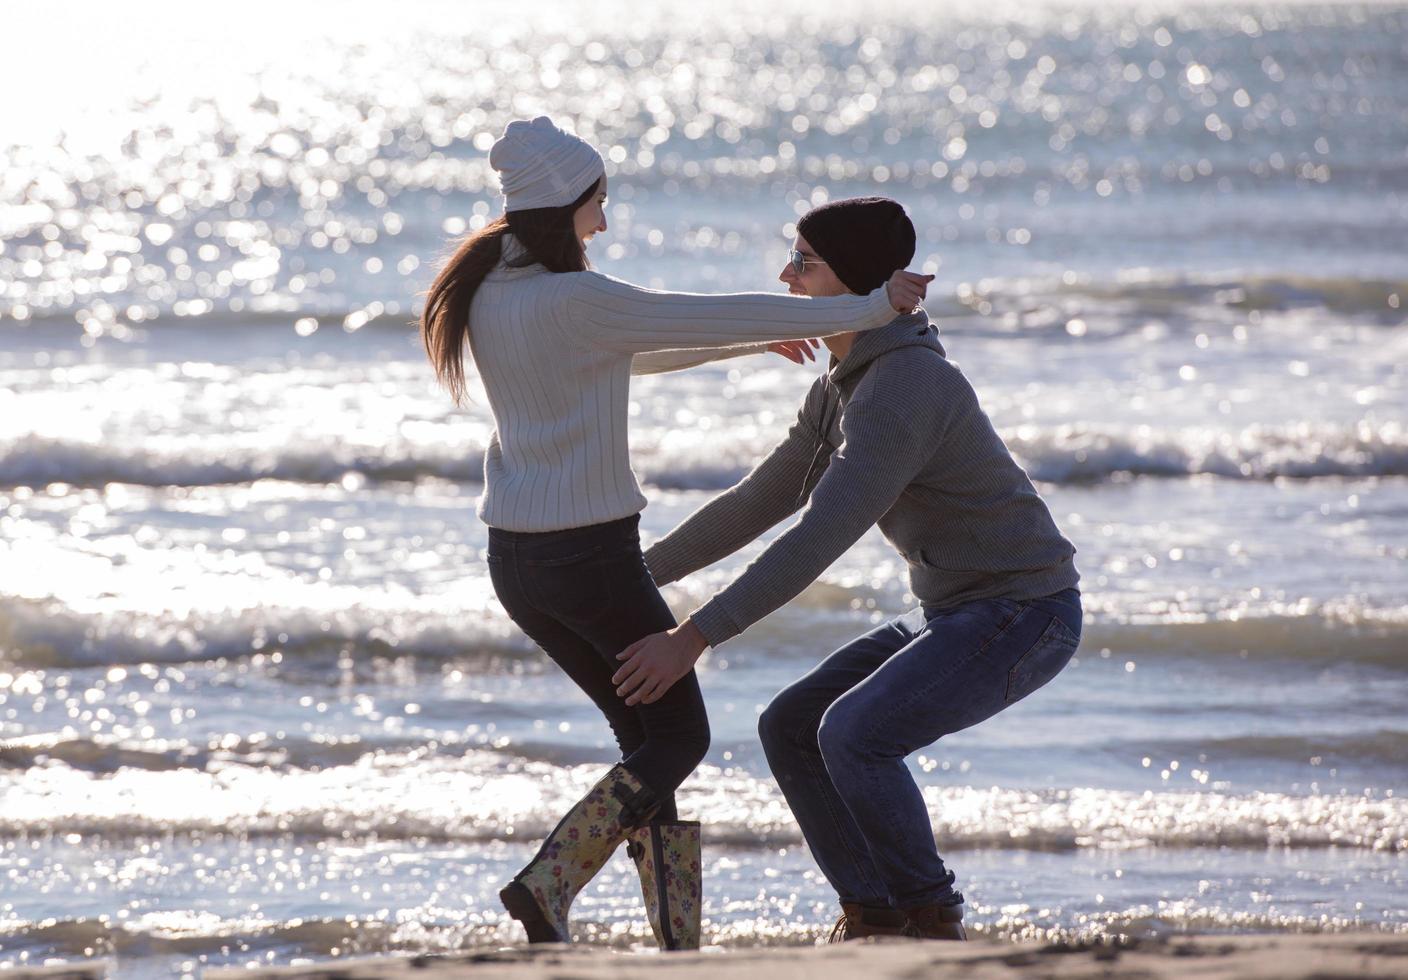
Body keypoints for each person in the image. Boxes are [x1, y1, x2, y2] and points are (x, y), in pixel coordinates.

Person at [419, 119, 934, 950]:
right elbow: (682, 315)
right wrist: (870, 306)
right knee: (681, 735)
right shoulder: (576, 298)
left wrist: (747, 341)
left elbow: (634, 347)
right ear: (567, 204)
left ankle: (677, 944)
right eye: (599, 204)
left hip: (517, 563)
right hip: (588, 553)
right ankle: (550, 882)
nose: (606, 222)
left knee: (645, 741)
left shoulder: (495, 293)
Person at [612, 196, 1081, 943]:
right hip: (956, 611)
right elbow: (761, 500)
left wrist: (691, 638)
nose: (785, 275)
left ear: (858, 282)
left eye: (804, 261)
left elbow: (818, 536)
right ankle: (874, 912)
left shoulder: (901, 389)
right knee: (790, 726)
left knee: (854, 734)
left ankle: (930, 917)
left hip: (1025, 614)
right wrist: (634, 574)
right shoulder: (843, 381)